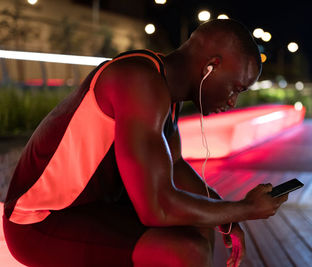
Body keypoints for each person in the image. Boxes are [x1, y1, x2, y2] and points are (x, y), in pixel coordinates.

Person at [3, 19, 288, 267]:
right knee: (186, 251)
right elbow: (157, 208)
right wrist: (244, 209)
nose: (231, 101)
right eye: (235, 88)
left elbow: (174, 166)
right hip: (39, 222)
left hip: (93, 210)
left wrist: (224, 216)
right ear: (210, 67)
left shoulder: (163, 87)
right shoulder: (139, 81)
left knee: (200, 227)